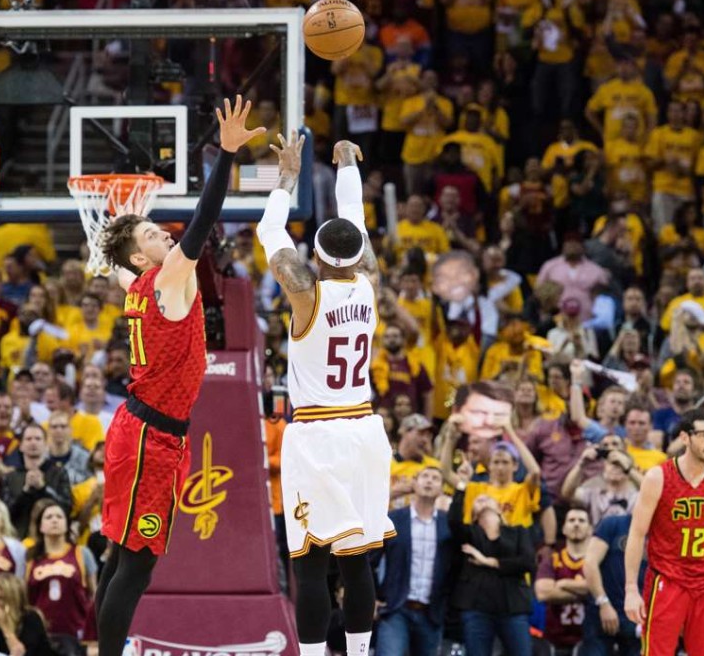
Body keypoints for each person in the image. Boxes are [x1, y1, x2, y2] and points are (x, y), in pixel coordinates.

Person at [93, 94, 265, 656]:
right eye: (149, 234)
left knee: (121, 557)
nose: (162, 234)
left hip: (139, 429)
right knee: (136, 569)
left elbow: (116, 271)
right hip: (151, 438)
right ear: (144, 260)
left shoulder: (136, 283)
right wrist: (228, 156)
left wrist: (109, 245)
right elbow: (205, 218)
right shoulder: (168, 277)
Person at [257, 135, 392, 656]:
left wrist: (287, 177)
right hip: (363, 430)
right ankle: (358, 653)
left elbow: (271, 229)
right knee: (355, 559)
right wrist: (349, 168)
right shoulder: (369, 284)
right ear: (358, 256)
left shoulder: (304, 293)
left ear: (314, 254)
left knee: (310, 561)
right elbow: (355, 226)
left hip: (316, 433)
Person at [623, 408, 704, 655]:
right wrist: (631, 590)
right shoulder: (658, 477)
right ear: (685, 438)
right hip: (667, 578)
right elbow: (636, 534)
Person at [448, 461, 535, 655]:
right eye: (478, 500)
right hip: (476, 608)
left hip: (513, 607)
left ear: (499, 508)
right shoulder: (469, 533)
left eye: (488, 499)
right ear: (472, 512)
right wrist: (462, 485)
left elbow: (528, 562)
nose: (483, 501)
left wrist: (488, 562)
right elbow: (453, 520)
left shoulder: (518, 532)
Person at [374, 467, 455, 656]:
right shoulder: (395, 519)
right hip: (396, 608)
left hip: (431, 611)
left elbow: (455, 566)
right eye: (424, 476)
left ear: (442, 489)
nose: (429, 481)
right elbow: (371, 559)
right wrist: (373, 596)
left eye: (435, 478)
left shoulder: (448, 524)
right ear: (414, 484)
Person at [26, 501, 97, 642]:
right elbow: (24, 598)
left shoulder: (82, 553)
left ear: (67, 524)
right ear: (40, 526)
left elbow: (94, 594)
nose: (54, 520)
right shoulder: (29, 558)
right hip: (41, 636)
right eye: (49, 517)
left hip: (76, 633)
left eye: (59, 516)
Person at [535, 507, 592, 655]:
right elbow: (543, 593)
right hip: (554, 638)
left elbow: (600, 589)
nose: (576, 524)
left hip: (589, 639)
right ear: (564, 529)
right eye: (571, 520)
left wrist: (563, 583)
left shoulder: (596, 561)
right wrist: (585, 592)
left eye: (582, 520)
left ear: (590, 530)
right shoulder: (553, 559)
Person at [583, 514, 642, 656]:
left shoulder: (660, 532)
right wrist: (603, 602)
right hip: (603, 612)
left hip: (638, 617)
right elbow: (590, 564)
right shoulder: (613, 523)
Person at [0, 573, 56, 656]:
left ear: (13, 598)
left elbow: (23, 653)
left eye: (1, 598)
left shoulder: (30, 618)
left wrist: (4, 627)